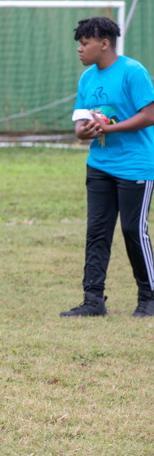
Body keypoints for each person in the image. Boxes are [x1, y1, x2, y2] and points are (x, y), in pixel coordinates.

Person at [60, 16, 154, 318]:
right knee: (97, 231)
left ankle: (149, 298)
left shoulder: (132, 71)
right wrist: (83, 132)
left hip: (135, 165)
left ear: (104, 44)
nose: (80, 49)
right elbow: (81, 123)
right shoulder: (87, 78)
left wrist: (110, 129)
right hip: (99, 165)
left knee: (133, 229)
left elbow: (149, 114)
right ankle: (93, 300)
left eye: (84, 43)